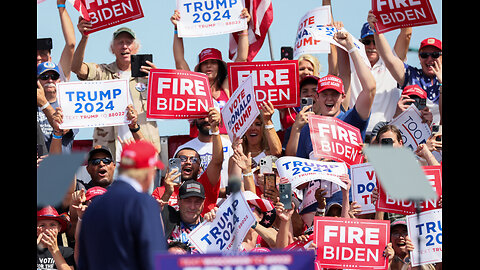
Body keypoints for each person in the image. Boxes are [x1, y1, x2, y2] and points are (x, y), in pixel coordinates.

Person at [71, 23, 161, 163]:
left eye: (129, 42)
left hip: (144, 154)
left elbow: (167, 105)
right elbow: (76, 68)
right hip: (109, 156)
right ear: (112, 49)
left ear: (136, 48)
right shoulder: (103, 72)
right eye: (120, 42)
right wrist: (84, 38)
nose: (124, 46)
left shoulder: (149, 75)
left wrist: (158, 81)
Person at [77, 140, 166, 270]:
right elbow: (155, 261)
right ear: (147, 172)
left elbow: (83, 263)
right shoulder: (144, 203)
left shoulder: (92, 207)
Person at [294, 29, 377, 161]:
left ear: (343, 97)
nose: (329, 99)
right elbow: (301, 174)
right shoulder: (307, 129)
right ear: (316, 97)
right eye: (325, 94)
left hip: (346, 181)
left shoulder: (352, 119)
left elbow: (370, 88)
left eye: (335, 94)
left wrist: (350, 48)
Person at [170, 8, 251, 136]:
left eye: (213, 63)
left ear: (219, 66)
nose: (209, 66)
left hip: (226, 142)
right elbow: (179, 61)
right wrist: (177, 29)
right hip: (200, 145)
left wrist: (243, 27)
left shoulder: (226, 87)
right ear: (200, 67)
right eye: (205, 63)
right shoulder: (194, 87)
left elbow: (241, 59)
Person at [367, 11, 442, 125]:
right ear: (419, 57)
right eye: (424, 55)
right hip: (411, 139)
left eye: (435, 55)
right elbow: (389, 59)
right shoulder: (412, 75)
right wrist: (377, 30)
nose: (430, 59)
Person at [346, 21, 412, 140]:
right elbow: (332, 45)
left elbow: (406, 33)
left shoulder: (391, 63)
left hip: (385, 134)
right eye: (367, 42)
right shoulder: (352, 62)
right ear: (360, 43)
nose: (371, 46)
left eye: (375, 42)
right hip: (355, 133)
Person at [152, 107, 223, 215]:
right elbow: (153, 219)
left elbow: (217, 161)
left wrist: (215, 130)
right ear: (173, 166)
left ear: (200, 169)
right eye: (183, 159)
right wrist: (167, 192)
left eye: (194, 160)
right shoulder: (160, 191)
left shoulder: (206, 185)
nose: (188, 162)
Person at [173, 113, 234, 197]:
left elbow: (237, 180)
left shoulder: (230, 145)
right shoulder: (183, 149)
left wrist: (224, 192)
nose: (206, 120)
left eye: (210, 117)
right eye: (201, 117)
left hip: (227, 202)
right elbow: (175, 182)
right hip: (193, 203)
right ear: (194, 120)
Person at [37, 62, 78, 154]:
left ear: (59, 80)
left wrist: (44, 104)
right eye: (45, 77)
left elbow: (63, 129)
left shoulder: (69, 106)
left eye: (54, 76)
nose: (50, 80)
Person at [161, 179, 207, 253]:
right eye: (188, 201)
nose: (192, 207)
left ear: (203, 202)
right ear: (178, 200)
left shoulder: (208, 227)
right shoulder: (168, 218)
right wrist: (167, 193)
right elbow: (158, 215)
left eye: (197, 202)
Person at [37, 0, 76, 82]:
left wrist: (61, 6)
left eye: (43, 53)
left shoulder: (57, 76)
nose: (38, 57)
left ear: (50, 59)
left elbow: (71, 44)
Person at [37, 205, 75, 270]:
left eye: (52, 225)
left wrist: (54, 250)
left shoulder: (67, 252)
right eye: (42, 225)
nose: (47, 230)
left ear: (59, 228)